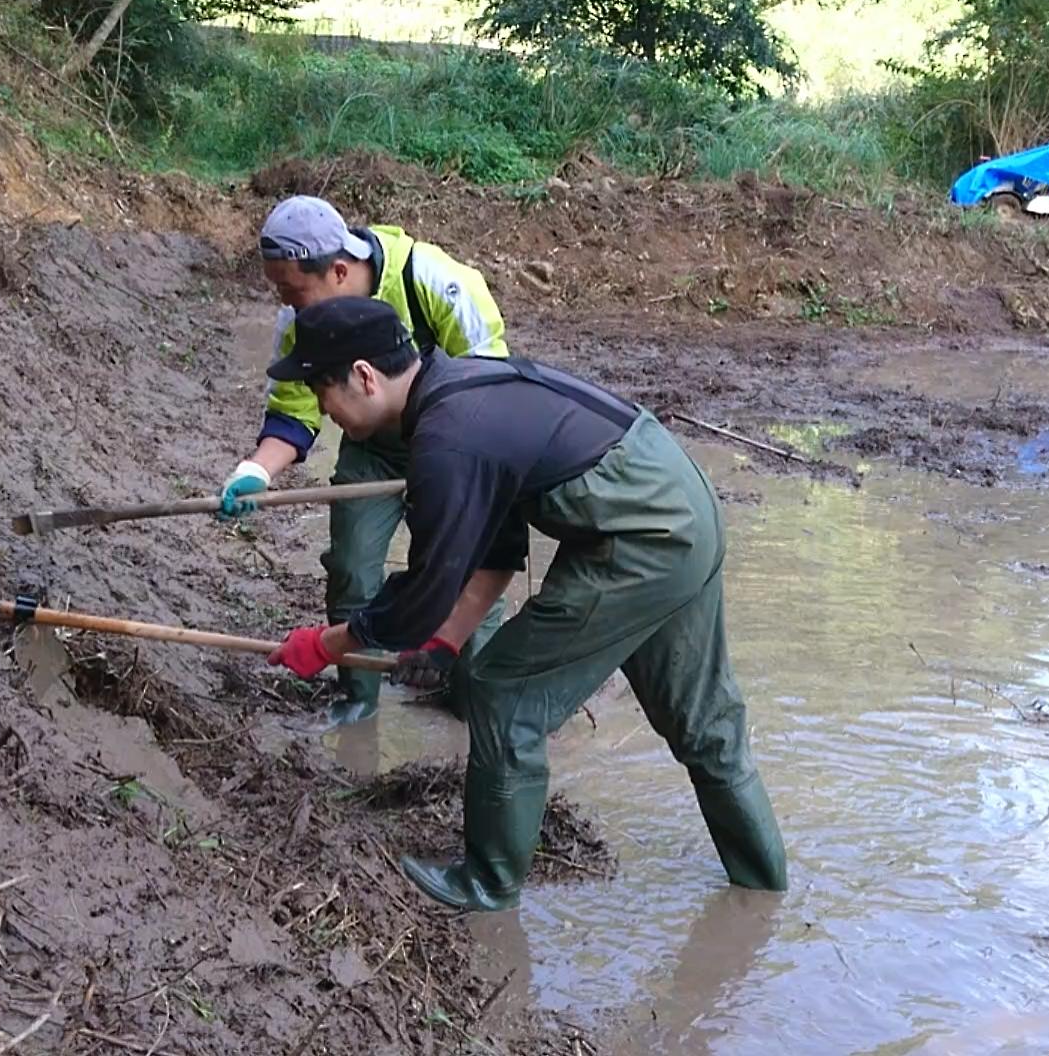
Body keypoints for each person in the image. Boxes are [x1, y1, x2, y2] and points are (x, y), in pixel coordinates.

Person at [263, 295, 788, 911]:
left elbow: (426, 591)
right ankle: (764, 894)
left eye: (322, 391)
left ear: (363, 376)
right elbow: (498, 551)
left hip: (641, 538)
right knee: (705, 725)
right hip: (681, 504)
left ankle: (487, 882)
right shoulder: (460, 384)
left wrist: (327, 645)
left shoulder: (445, 439)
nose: (322, 409)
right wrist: (446, 643)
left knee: (504, 692)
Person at [220, 194, 511, 723]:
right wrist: (257, 470)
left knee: (466, 572)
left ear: (336, 270)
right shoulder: (300, 320)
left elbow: (492, 393)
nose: (286, 301)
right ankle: (359, 695)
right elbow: (294, 414)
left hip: (459, 450)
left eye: (291, 288)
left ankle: (477, 694)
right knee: (352, 568)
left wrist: (456, 480)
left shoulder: (438, 283)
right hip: (373, 450)